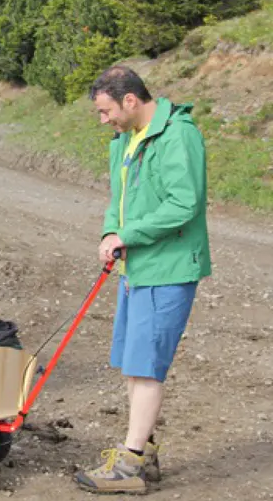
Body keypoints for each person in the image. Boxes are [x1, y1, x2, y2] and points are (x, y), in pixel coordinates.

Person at [74, 66, 210, 494]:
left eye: (105, 110)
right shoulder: (124, 140)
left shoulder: (177, 135)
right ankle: (144, 451)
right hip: (137, 269)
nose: (103, 120)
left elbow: (183, 203)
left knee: (147, 368)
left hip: (168, 268)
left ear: (130, 100)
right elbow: (118, 199)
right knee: (134, 365)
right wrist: (108, 234)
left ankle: (129, 467)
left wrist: (127, 235)